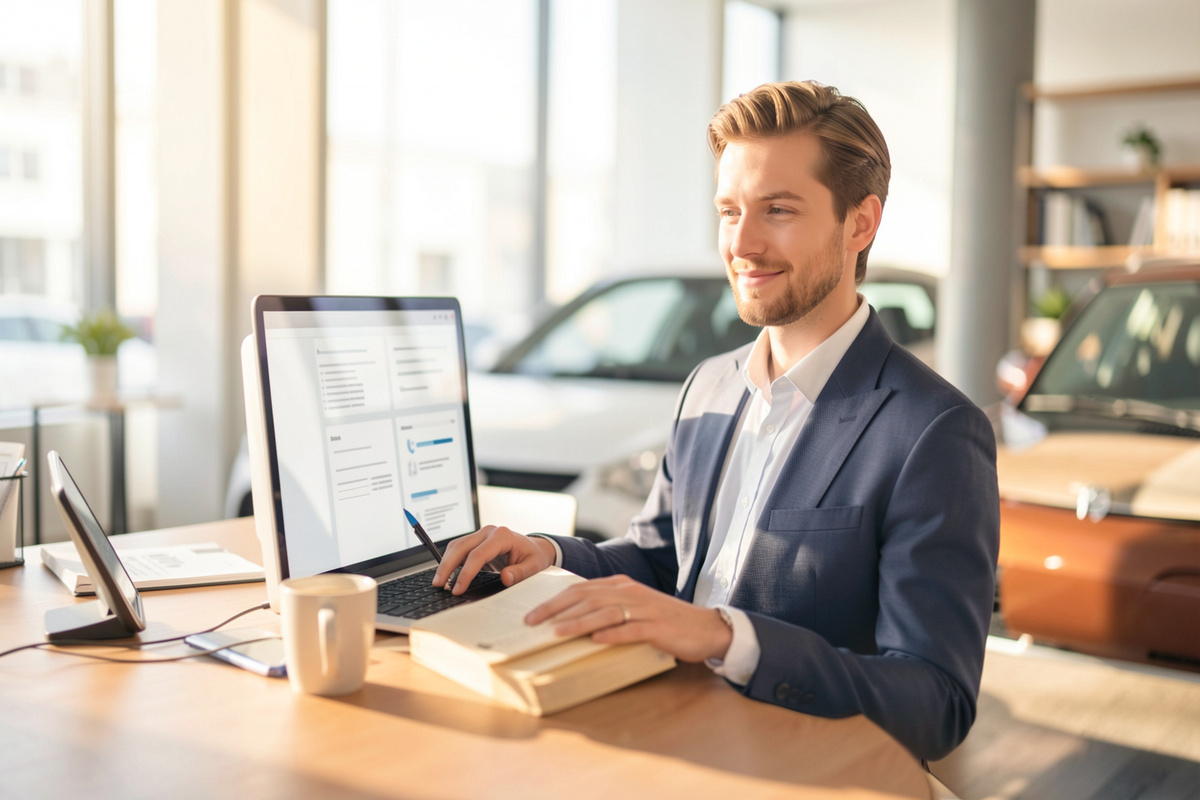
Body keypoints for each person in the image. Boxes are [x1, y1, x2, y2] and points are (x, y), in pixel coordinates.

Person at [434, 80, 1000, 762]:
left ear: (860, 222)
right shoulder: (709, 386)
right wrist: (550, 556)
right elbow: (659, 555)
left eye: (779, 210)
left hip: (788, 769)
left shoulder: (933, 433)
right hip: (656, 737)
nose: (743, 243)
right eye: (729, 211)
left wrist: (727, 637)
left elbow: (935, 702)